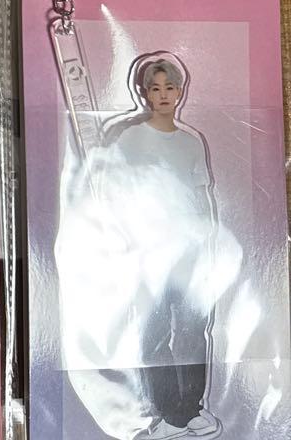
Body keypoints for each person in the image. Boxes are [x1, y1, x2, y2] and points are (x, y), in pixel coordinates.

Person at [110, 58, 219, 440]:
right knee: (154, 333)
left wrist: (209, 239)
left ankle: (190, 409)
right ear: (144, 93)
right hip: (149, 250)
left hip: (189, 250)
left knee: (192, 331)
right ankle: (170, 413)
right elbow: (115, 191)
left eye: (169, 87)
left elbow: (202, 195)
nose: (162, 95)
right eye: (155, 88)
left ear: (179, 92)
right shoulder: (130, 139)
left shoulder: (191, 142)